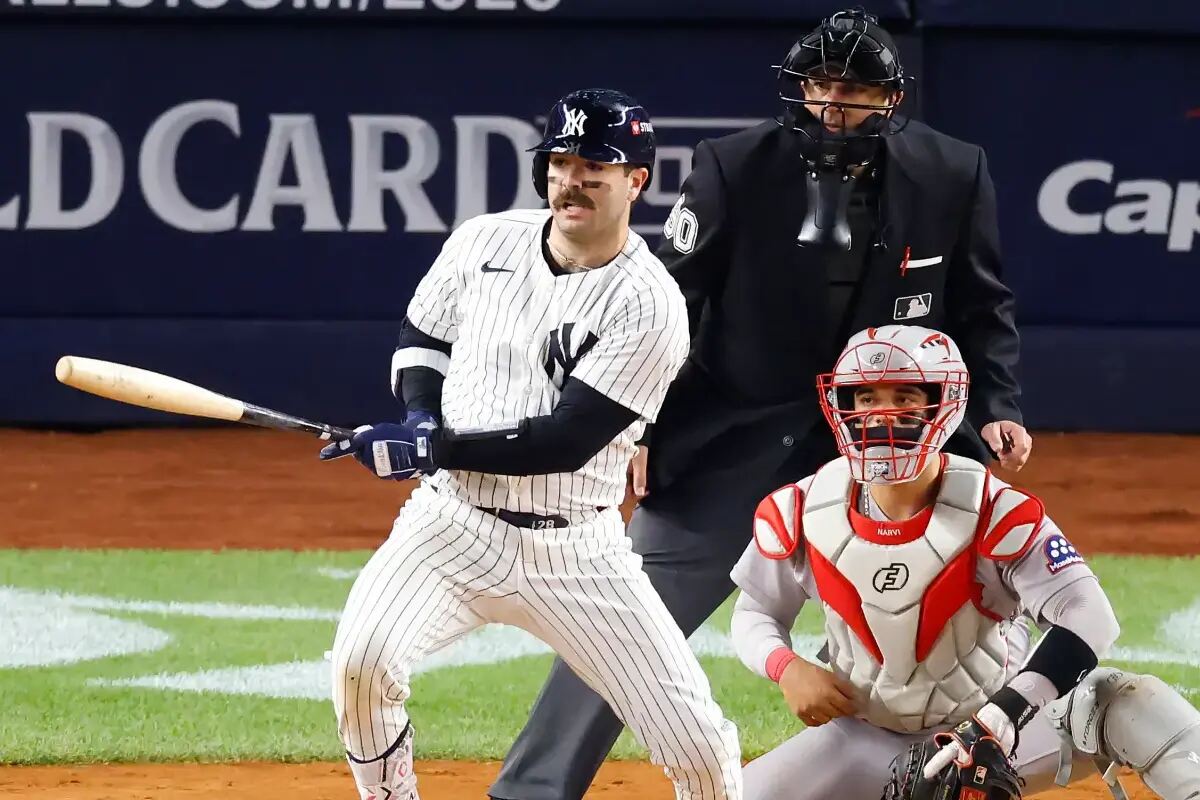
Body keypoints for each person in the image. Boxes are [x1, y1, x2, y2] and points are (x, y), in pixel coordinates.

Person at [491, 10, 1031, 800]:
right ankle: (530, 791)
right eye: (821, 85)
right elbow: (667, 303)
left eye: (856, 88)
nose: (835, 103)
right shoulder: (734, 166)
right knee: (621, 624)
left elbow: (981, 305)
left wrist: (997, 405)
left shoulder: (953, 172)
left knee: (959, 628)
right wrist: (639, 423)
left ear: (890, 97)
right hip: (730, 436)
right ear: (799, 89)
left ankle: (964, 780)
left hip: (893, 445)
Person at [319, 88, 742, 800]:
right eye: (559, 161)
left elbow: (566, 439)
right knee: (361, 663)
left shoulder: (650, 303)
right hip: (451, 527)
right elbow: (423, 340)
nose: (570, 179)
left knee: (696, 742)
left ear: (637, 180)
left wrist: (435, 448)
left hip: (578, 554)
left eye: (594, 167)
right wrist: (422, 422)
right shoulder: (484, 240)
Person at [729, 324, 1200, 800]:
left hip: (997, 733)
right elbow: (754, 613)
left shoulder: (994, 509)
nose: (881, 416)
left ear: (945, 405)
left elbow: (1089, 615)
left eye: (905, 398)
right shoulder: (806, 508)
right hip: (861, 740)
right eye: (866, 399)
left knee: (1129, 702)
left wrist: (1002, 716)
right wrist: (785, 665)